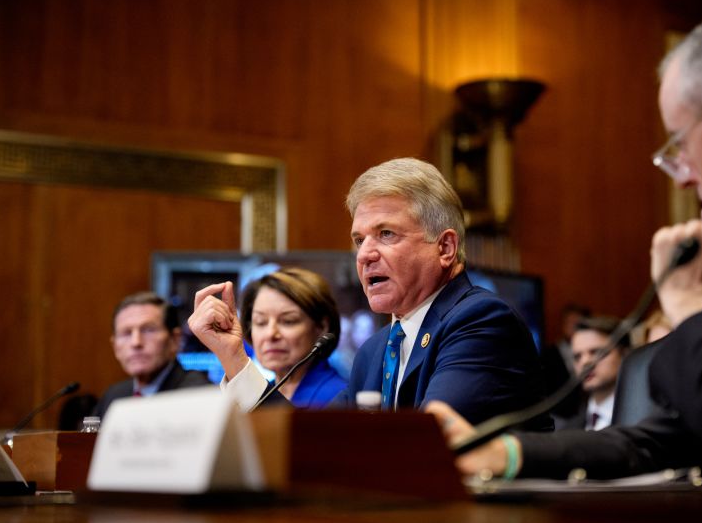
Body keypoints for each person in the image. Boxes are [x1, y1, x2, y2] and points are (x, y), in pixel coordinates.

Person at [428, 2, 702, 492]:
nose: (684, 178)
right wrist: (502, 451)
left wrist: (689, 302)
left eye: (680, 143)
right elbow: (673, 437)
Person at [190, 157, 550, 428]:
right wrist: (234, 357)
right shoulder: (376, 351)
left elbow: (427, 445)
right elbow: (313, 448)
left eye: (387, 234)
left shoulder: (481, 322)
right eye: (359, 240)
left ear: (445, 248)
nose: (365, 254)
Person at [235, 267, 346, 407]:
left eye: (288, 321)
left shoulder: (339, 399)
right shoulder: (262, 394)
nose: (270, 334)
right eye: (261, 322)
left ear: (321, 327)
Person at [95, 292, 210, 418]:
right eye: (126, 333)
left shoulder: (197, 393)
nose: (136, 342)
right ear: (115, 346)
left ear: (175, 340)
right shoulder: (113, 396)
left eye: (148, 330)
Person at [553, 316, 629, 431]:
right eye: (577, 357)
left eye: (595, 352)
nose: (585, 362)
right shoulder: (567, 431)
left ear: (624, 354)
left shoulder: (644, 419)